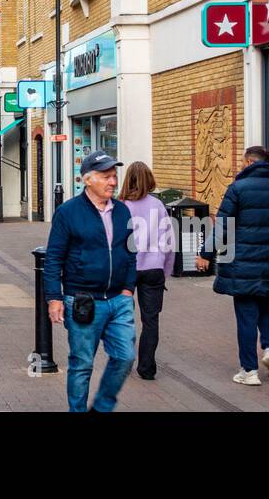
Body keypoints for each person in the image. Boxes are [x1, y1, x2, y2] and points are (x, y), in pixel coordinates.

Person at [197, 145, 269, 386]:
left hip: (243, 264)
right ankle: (268, 349)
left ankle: (249, 371)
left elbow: (223, 227)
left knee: (246, 315)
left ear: (248, 162)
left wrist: (205, 253)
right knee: (267, 307)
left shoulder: (238, 189)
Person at [43, 151, 137, 413]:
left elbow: (131, 252)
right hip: (83, 301)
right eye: (106, 177)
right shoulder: (68, 212)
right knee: (82, 364)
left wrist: (129, 289)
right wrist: (54, 298)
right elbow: (54, 258)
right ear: (88, 180)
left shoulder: (122, 211)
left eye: (114, 176)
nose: (113, 182)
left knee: (125, 356)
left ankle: (103, 406)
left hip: (119, 299)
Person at [119, 161, 175, 380]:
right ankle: (147, 368)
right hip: (153, 269)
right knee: (151, 320)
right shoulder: (158, 206)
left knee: (123, 318)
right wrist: (165, 270)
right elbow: (169, 242)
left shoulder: (120, 206)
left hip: (126, 270)